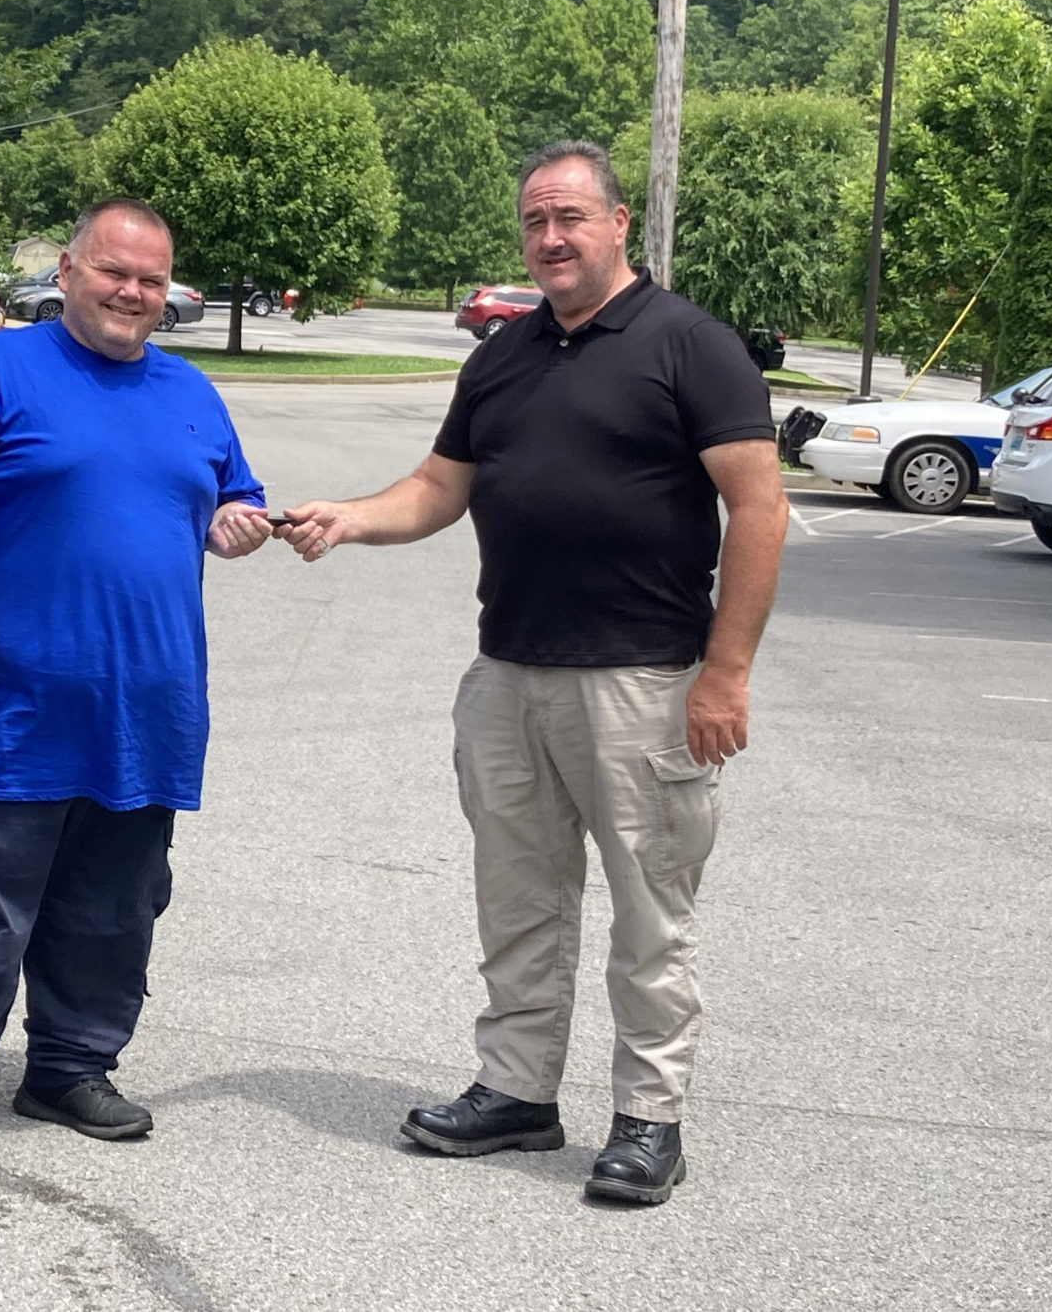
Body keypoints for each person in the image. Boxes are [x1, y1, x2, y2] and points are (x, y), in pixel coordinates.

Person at [275, 141, 787, 1205]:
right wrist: (350, 518)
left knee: (651, 911)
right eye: (533, 222)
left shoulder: (692, 346)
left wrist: (724, 672)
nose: (550, 238)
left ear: (616, 226)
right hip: (507, 675)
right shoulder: (500, 356)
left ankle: (649, 1116)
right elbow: (435, 486)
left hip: (644, 682)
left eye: (569, 217)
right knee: (518, 900)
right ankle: (516, 1091)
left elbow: (759, 507)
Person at [0, 197, 271, 1167]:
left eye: (149, 280)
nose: (131, 292)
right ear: (67, 270)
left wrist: (234, 519)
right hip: (7, 704)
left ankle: (68, 1066)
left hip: (147, 709)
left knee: (112, 907)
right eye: (113, 272)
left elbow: (233, 495)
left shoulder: (190, 391)